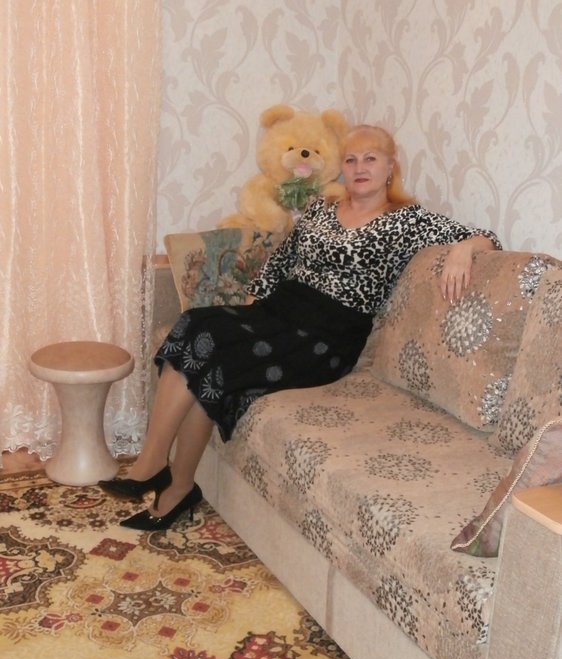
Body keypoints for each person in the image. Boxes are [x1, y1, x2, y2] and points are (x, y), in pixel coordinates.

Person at [100, 124, 501, 530]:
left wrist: (463, 251)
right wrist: (246, 318)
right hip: (279, 312)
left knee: (207, 340)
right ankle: (175, 483)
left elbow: (485, 237)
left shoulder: (408, 220)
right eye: (350, 159)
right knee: (200, 331)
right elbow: (280, 262)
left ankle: (156, 470)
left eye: (370, 158)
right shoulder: (321, 209)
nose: (359, 167)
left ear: (390, 167)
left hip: (326, 337)